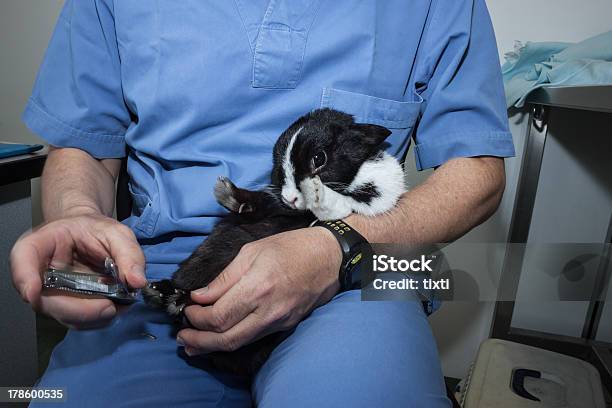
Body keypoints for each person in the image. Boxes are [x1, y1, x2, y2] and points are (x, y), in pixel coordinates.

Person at [11, 0, 514, 407]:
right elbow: (85, 150)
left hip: (356, 267)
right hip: (168, 273)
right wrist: (78, 216)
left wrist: (334, 248)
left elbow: (478, 174)